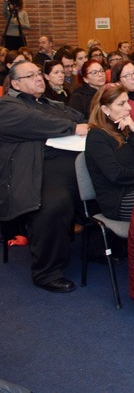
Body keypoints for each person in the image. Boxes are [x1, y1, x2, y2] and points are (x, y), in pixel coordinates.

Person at [0, 60, 88, 293]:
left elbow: (82, 118)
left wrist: (81, 125)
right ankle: (46, 272)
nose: (39, 78)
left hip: (75, 166)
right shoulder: (7, 106)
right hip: (38, 172)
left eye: (39, 73)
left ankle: (99, 249)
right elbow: (35, 122)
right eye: (31, 76)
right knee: (53, 205)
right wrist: (72, 128)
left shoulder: (51, 103)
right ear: (16, 83)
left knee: (108, 187)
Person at [84, 83, 134, 221]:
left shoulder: (124, 128)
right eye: (121, 104)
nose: (129, 107)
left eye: (127, 102)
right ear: (105, 109)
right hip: (118, 200)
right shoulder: (97, 136)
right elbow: (115, 174)